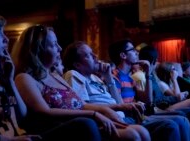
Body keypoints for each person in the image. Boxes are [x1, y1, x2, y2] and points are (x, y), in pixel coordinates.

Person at [11, 25, 150, 141]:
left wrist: (118, 107)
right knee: (132, 134)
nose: (59, 48)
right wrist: (92, 114)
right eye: (53, 45)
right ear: (37, 49)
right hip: (63, 129)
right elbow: (43, 112)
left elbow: (81, 104)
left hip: (83, 123)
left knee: (141, 131)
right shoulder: (24, 77)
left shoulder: (55, 76)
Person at [62, 41, 190, 141]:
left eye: (93, 53)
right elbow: (81, 106)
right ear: (77, 64)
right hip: (115, 119)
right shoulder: (73, 74)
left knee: (181, 119)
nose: (96, 56)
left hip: (127, 116)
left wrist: (108, 79)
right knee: (173, 124)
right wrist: (121, 103)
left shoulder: (97, 77)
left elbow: (138, 101)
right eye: (88, 55)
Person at [108, 39, 190, 141]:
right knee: (172, 124)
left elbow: (147, 100)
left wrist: (148, 73)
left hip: (140, 116)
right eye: (132, 50)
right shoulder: (115, 77)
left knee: (182, 119)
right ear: (123, 55)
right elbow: (120, 106)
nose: (136, 52)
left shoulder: (130, 77)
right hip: (132, 119)